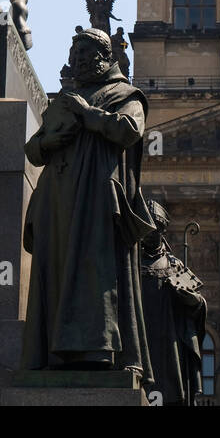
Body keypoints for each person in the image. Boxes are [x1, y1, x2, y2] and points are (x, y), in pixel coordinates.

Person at [21, 28, 154, 375]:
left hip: (96, 200)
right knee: (57, 273)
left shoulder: (126, 94)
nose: (77, 61)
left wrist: (89, 116)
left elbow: (128, 130)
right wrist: (50, 141)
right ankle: (54, 354)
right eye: (74, 56)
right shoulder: (64, 98)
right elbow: (33, 150)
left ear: (105, 58)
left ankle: (102, 352)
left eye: (85, 55)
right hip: (57, 201)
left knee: (99, 275)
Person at [140, 201, 207, 406]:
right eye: (147, 228)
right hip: (139, 337)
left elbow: (199, 304)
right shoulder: (129, 262)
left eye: (155, 229)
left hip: (169, 341)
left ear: (163, 231)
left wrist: (191, 299)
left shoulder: (174, 265)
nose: (150, 233)